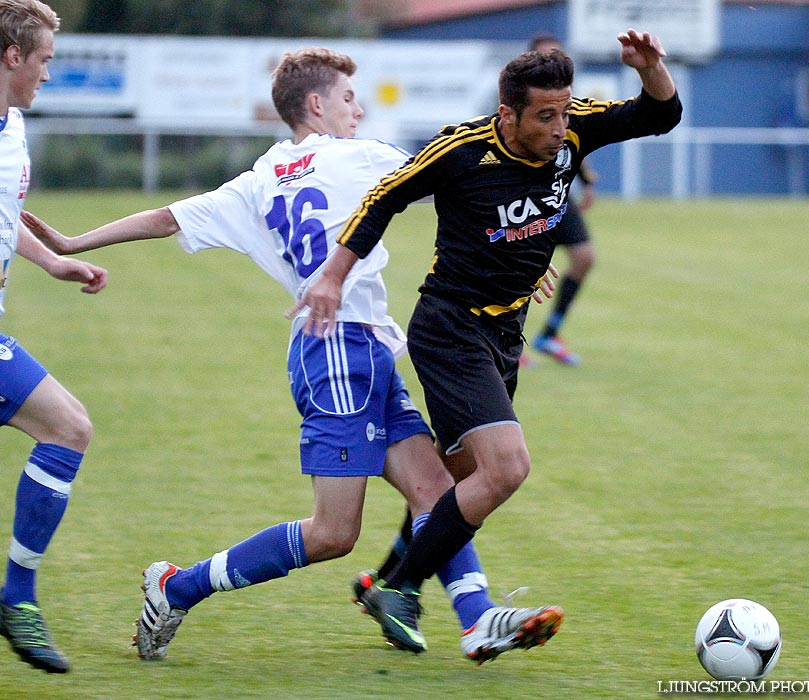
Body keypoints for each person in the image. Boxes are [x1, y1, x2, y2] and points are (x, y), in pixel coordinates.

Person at [24, 47, 562, 664]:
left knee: (435, 490)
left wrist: (73, 240)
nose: (357, 111)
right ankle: (177, 587)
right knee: (334, 533)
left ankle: (478, 620)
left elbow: (165, 219)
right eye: (347, 99)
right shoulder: (358, 157)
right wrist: (510, 260)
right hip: (337, 351)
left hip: (355, 350)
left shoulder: (258, 179)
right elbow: (463, 178)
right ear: (316, 105)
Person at [297, 29, 681, 650]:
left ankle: (390, 581)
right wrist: (332, 278)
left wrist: (652, 68)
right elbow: (382, 198)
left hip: (505, 331)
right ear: (508, 113)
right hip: (451, 328)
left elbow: (662, 115)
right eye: (545, 116)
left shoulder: (575, 127)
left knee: (457, 480)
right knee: (507, 468)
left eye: (564, 111)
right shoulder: (461, 150)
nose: (560, 128)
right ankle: (414, 591)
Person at [0, 0, 108, 674]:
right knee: (69, 427)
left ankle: (17, 598)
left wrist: (52, 260)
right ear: (13, 56)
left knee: (68, 427)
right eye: (44, 60)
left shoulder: (14, 126)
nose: (49, 72)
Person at [525, 32, 598, 367]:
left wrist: (587, 182)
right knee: (519, 268)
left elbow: (572, 144)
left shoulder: (566, 107)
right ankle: (506, 342)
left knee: (584, 257)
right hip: (522, 198)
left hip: (558, 194)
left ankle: (549, 334)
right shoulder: (519, 103)